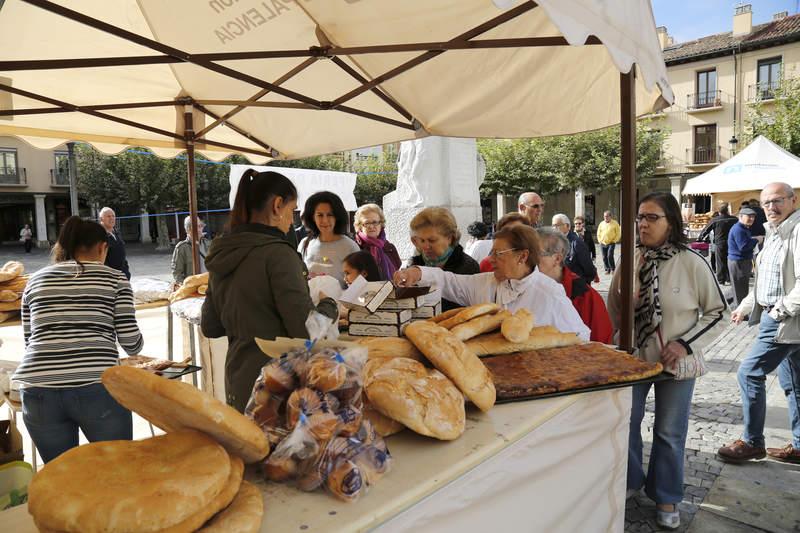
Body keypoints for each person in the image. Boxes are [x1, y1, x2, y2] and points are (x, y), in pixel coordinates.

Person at [608, 192, 726, 530]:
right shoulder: (629, 258)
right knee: (626, 423)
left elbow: (718, 313)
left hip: (676, 363)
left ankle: (666, 495)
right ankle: (630, 480)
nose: (642, 224)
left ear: (671, 222)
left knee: (669, 433)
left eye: (651, 217)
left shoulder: (691, 262)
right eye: (640, 217)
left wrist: (685, 344)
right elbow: (614, 306)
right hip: (633, 359)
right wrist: (623, 326)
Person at [201, 170, 338, 412]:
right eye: (292, 210)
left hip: (237, 380)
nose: (292, 220)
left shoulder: (223, 251)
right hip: (277, 387)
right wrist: (330, 306)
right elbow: (307, 330)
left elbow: (210, 325)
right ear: (277, 205)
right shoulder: (278, 254)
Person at [12, 216, 143, 463]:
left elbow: (31, 341)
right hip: (96, 385)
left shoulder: (35, 281)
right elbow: (131, 343)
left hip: (37, 390)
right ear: (103, 247)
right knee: (118, 471)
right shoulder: (115, 280)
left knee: (64, 478)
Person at [718, 183, 800, 466]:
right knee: (795, 384)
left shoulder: (797, 231)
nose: (771, 207)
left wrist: (779, 311)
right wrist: (746, 305)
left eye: (778, 201)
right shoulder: (773, 233)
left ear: (793, 200)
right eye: (766, 203)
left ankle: (753, 443)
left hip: (784, 321)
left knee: (749, 373)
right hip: (778, 317)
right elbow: (765, 282)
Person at [396, 225, 590, 340]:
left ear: (522, 256)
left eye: (498, 254)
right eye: (491, 252)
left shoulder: (549, 294)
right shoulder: (486, 283)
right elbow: (450, 281)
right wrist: (417, 272)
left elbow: (580, 338)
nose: (491, 259)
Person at [536, 228, 612, 344]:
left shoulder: (587, 297)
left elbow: (602, 346)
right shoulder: (520, 287)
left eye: (535, 255)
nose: (526, 261)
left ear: (557, 258)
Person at [407, 207, 480, 312]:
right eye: (422, 240)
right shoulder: (414, 264)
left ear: (450, 238)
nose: (426, 246)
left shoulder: (468, 266)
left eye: (432, 240)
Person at [298, 191, 360, 287]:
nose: (325, 220)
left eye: (330, 215)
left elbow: (358, 285)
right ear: (312, 217)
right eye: (320, 215)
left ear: (337, 217)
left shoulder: (349, 246)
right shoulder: (304, 244)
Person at [353, 203, 401, 281]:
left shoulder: (389, 247)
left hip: (390, 290)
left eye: (375, 222)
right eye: (367, 223)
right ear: (360, 226)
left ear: (381, 224)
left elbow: (397, 271)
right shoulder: (355, 247)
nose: (371, 226)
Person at [726, 207, 762, 308]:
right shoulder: (739, 229)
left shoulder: (743, 228)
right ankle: (740, 311)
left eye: (753, 217)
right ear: (740, 217)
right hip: (739, 261)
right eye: (749, 216)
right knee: (740, 288)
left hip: (741, 261)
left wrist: (752, 239)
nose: (752, 219)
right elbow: (743, 247)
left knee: (738, 286)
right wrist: (757, 240)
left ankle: (723, 303)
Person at [552, 213, 597, 285]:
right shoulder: (553, 243)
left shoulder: (577, 243)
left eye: (557, 225)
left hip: (575, 286)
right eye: (553, 226)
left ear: (567, 226)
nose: (554, 229)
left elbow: (588, 268)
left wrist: (582, 282)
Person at [698, 203, 737, 285]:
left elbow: (706, 230)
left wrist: (700, 238)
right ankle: (729, 278)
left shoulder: (715, 220)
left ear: (719, 212)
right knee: (730, 260)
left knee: (720, 261)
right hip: (732, 242)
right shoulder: (734, 219)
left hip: (720, 242)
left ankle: (721, 280)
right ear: (727, 211)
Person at [171, 216, 210, 285]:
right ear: (188, 229)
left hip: (209, 286)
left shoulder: (208, 244)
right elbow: (177, 273)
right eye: (198, 226)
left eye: (201, 226)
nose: (201, 229)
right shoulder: (181, 248)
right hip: (193, 288)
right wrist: (186, 286)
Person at [98, 207, 131, 280]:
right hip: (110, 279)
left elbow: (122, 255)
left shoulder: (116, 233)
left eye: (113, 216)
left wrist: (127, 273)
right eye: (108, 216)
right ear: (101, 219)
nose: (111, 218)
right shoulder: (98, 236)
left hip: (123, 276)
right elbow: (100, 261)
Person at [597, 210, 621, 275]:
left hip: (611, 242)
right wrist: (599, 240)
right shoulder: (601, 223)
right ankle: (607, 269)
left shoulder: (615, 223)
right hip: (603, 243)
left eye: (607, 216)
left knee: (609, 255)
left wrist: (615, 240)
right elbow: (598, 233)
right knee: (604, 257)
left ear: (610, 216)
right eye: (604, 216)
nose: (606, 218)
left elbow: (618, 233)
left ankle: (613, 269)